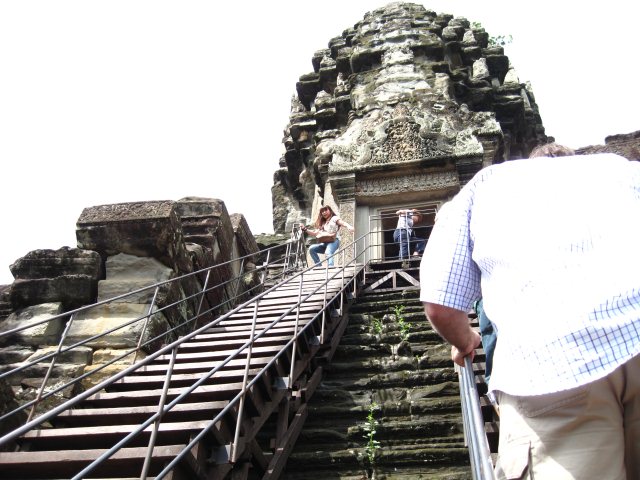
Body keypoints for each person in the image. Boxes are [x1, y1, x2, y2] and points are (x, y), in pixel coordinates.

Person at [419, 151, 640, 479]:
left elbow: (439, 303)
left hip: (555, 362)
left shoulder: (486, 184)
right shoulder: (624, 170)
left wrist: (465, 341)